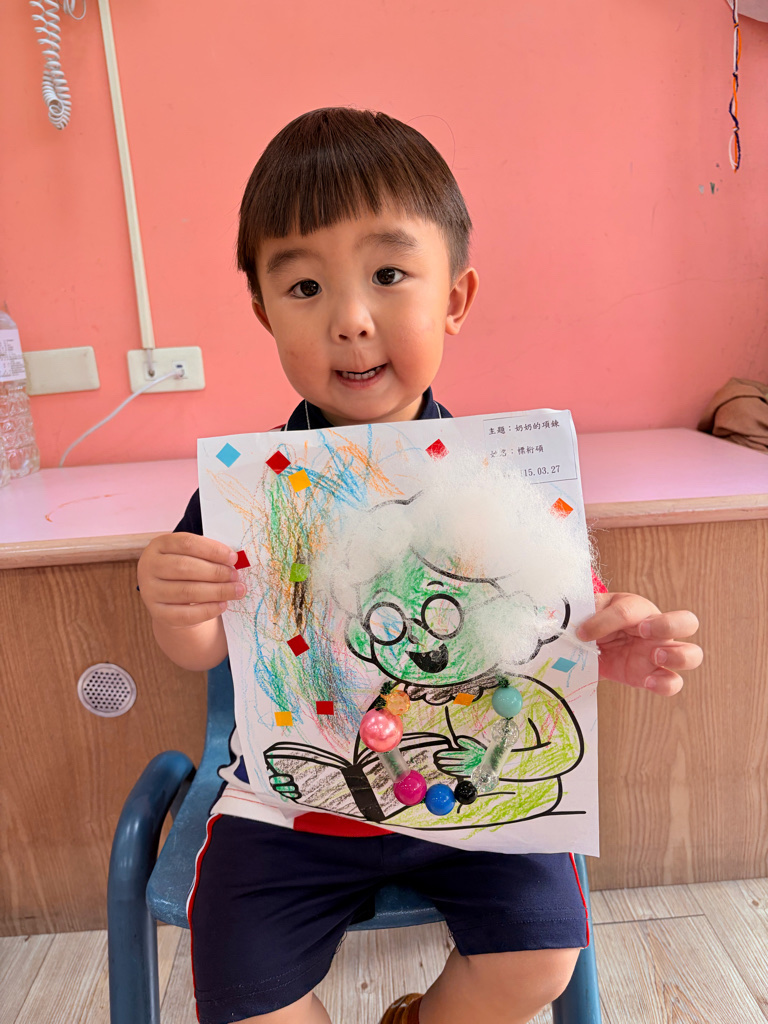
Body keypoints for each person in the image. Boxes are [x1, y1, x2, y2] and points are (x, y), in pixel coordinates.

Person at [137, 107, 703, 1024]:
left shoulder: (503, 482)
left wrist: (614, 637)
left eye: (389, 275)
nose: (352, 320)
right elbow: (203, 648)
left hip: (475, 783)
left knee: (541, 958)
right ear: (264, 313)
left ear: (456, 298)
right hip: (293, 806)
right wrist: (175, 603)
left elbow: (563, 619)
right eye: (305, 287)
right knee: (242, 1000)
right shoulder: (250, 491)